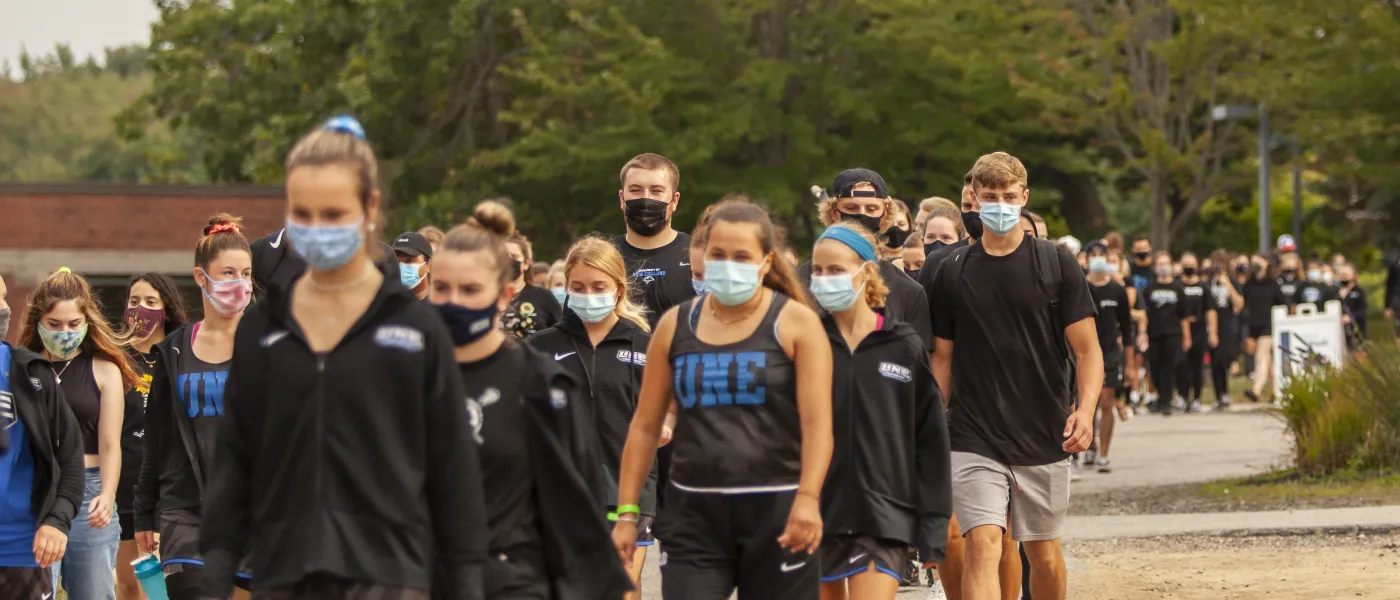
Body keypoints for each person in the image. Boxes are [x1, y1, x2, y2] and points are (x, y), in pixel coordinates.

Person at [198, 117, 487, 599]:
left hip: (390, 574)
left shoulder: (415, 329)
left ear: (369, 207)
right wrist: (217, 573)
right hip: (285, 571)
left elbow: (453, 470)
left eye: (333, 214)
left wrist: (466, 582)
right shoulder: (264, 326)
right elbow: (235, 459)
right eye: (303, 214)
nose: (317, 229)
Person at [612, 199, 833, 600]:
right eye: (718, 254)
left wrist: (808, 497)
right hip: (694, 512)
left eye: (741, 256)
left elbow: (818, 424)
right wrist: (626, 513)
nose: (728, 265)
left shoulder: (796, 323)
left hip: (778, 508)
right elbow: (644, 426)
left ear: (766, 261)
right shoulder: (675, 325)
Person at [928, 152, 1101, 600]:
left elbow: (1087, 350)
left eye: (1008, 196)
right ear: (974, 199)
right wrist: (929, 423)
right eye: (990, 197)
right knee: (982, 544)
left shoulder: (1055, 263)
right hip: (973, 432)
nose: (1000, 205)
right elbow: (942, 359)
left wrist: (1085, 411)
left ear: (1024, 197)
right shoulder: (952, 271)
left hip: (1043, 429)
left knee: (1043, 554)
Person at [436, 204, 631, 600]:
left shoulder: (542, 386)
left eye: (470, 290)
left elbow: (577, 505)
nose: (454, 302)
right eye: (442, 288)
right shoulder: (406, 377)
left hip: (512, 580)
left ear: (505, 295)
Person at [811, 223, 950, 600]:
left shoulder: (902, 344)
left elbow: (930, 439)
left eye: (836, 270)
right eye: (817, 270)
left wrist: (933, 527)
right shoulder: (806, 342)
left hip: (885, 512)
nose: (824, 279)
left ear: (866, 271)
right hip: (816, 510)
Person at [525, 236, 660, 600]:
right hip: (562, 492)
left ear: (618, 289)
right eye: (578, 287)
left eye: (599, 287)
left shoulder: (645, 345)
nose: (588, 295)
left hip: (629, 493)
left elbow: (668, 410)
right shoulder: (541, 346)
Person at [132, 215, 256, 600]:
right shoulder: (173, 350)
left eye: (246, 274)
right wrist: (144, 512)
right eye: (228, 273)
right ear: (201, 278)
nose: (240, 283)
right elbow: (156, 436)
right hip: (184, 509)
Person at [18, 268, 140, 600]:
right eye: (54, 324)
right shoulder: (24, 368)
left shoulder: (104, 370)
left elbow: (110, 444)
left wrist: (108, 494)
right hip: (38, 490)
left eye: (73, 324)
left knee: (94, 592)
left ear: (87, 321)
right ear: (39, 322)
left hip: (91, 492)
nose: (65, 333)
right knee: (37, 591)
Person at [0, 273, 86, 599]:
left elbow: (71, 459)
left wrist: (56, 520)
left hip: (22, 549)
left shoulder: (30, 372)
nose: (4, 309)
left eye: (4, 298)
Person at [799, 168, 935, 351]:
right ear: (834, 214)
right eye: (851, 208)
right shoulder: (798, 283)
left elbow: (920, 361)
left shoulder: (909, 292)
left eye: (871, 209)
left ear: (884, 216)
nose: (862, 215)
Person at [116, 272, 190, 600]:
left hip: (167, 489)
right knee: (128, 585)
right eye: (134, 301)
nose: (141, 309)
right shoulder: (114, 358)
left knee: (155, 587)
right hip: (123, 487)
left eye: (150, 301)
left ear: (166, 307)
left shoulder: (179, 354)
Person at [613, 153, 696, 328]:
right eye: (636, 190)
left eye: (656, 191)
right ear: (622, 199)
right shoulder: (603, 258)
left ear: (674, 200)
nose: (646, 198)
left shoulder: (697, 255)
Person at [1084, 242, 1131, 472]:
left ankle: (1104, 453)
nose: (1097, 259)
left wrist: (1130, 365)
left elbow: (1127, 327)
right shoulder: (1081, 287)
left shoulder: (1117, 290)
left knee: (1106, 400)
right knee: (1088, 402)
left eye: (1101, 255)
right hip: (1085, 353)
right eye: (1093, 255)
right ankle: (1090, 444)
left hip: (1110, 351)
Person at [1141, 252, 1190, 415]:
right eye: (1160, 264)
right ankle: (1161, 396)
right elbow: (1145, 313)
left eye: (1166, 263)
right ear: (1155, 267)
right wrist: (1143, 333)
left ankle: (1166, 400)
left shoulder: (1178, 288)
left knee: (1168, 367)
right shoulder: (1150, 289)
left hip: (1173, 333)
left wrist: (1186, 337)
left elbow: (1184, 316)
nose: (1163, 267)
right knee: (1155, 367)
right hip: (1154, 333)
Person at [1241, 254, 1286, 403]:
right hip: (1254, 325)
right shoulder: (1249, 284)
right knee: (1267, 361)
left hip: (1268, 325)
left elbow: (1282, 303)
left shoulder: (1272, 284)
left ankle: (1256, 389)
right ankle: (1279, 390)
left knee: (1261, 356)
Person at [503, 232, 564, 338]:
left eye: (514, 256)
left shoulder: (543, 296)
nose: (508, 260)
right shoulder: (488, 296)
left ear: (526, 263)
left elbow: (562, 333)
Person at [1205, 253, 1245, 409]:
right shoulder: (1208, 283)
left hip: (1227, 324)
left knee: (1224, 359)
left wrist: (1228, 285)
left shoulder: (1232, 281)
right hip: (1211, 324)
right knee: (1215, 361)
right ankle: (1219, 395)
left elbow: (1239, 305)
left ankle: (1225, 393)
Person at [1175, 252, 1209, 413]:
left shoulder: (1203, 287)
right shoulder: (1177, 286)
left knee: (1197, 366)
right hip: (1180, 330)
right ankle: (1182, 396)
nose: (1189, 267)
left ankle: (1196, 398)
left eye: (1191, 264)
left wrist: (1213, 331)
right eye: (1186, 264)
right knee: (1181, 365)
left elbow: (1210, 309)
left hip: (1199, 329)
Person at [393, 230, 434, 300]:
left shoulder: (439, 303)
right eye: (397, 261)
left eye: (409, 260)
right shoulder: (388, 302)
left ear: (428, 264)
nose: (401, 266)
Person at [1338, 263, 1367, 349]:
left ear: (1353, 275)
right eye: (1341, 274)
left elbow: (1363, 311)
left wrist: (1350, 317)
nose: (1343, 277)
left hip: (1357, 330)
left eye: (1345, 274)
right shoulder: (1334, 291)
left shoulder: (1359, 291)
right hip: (1339, 331)